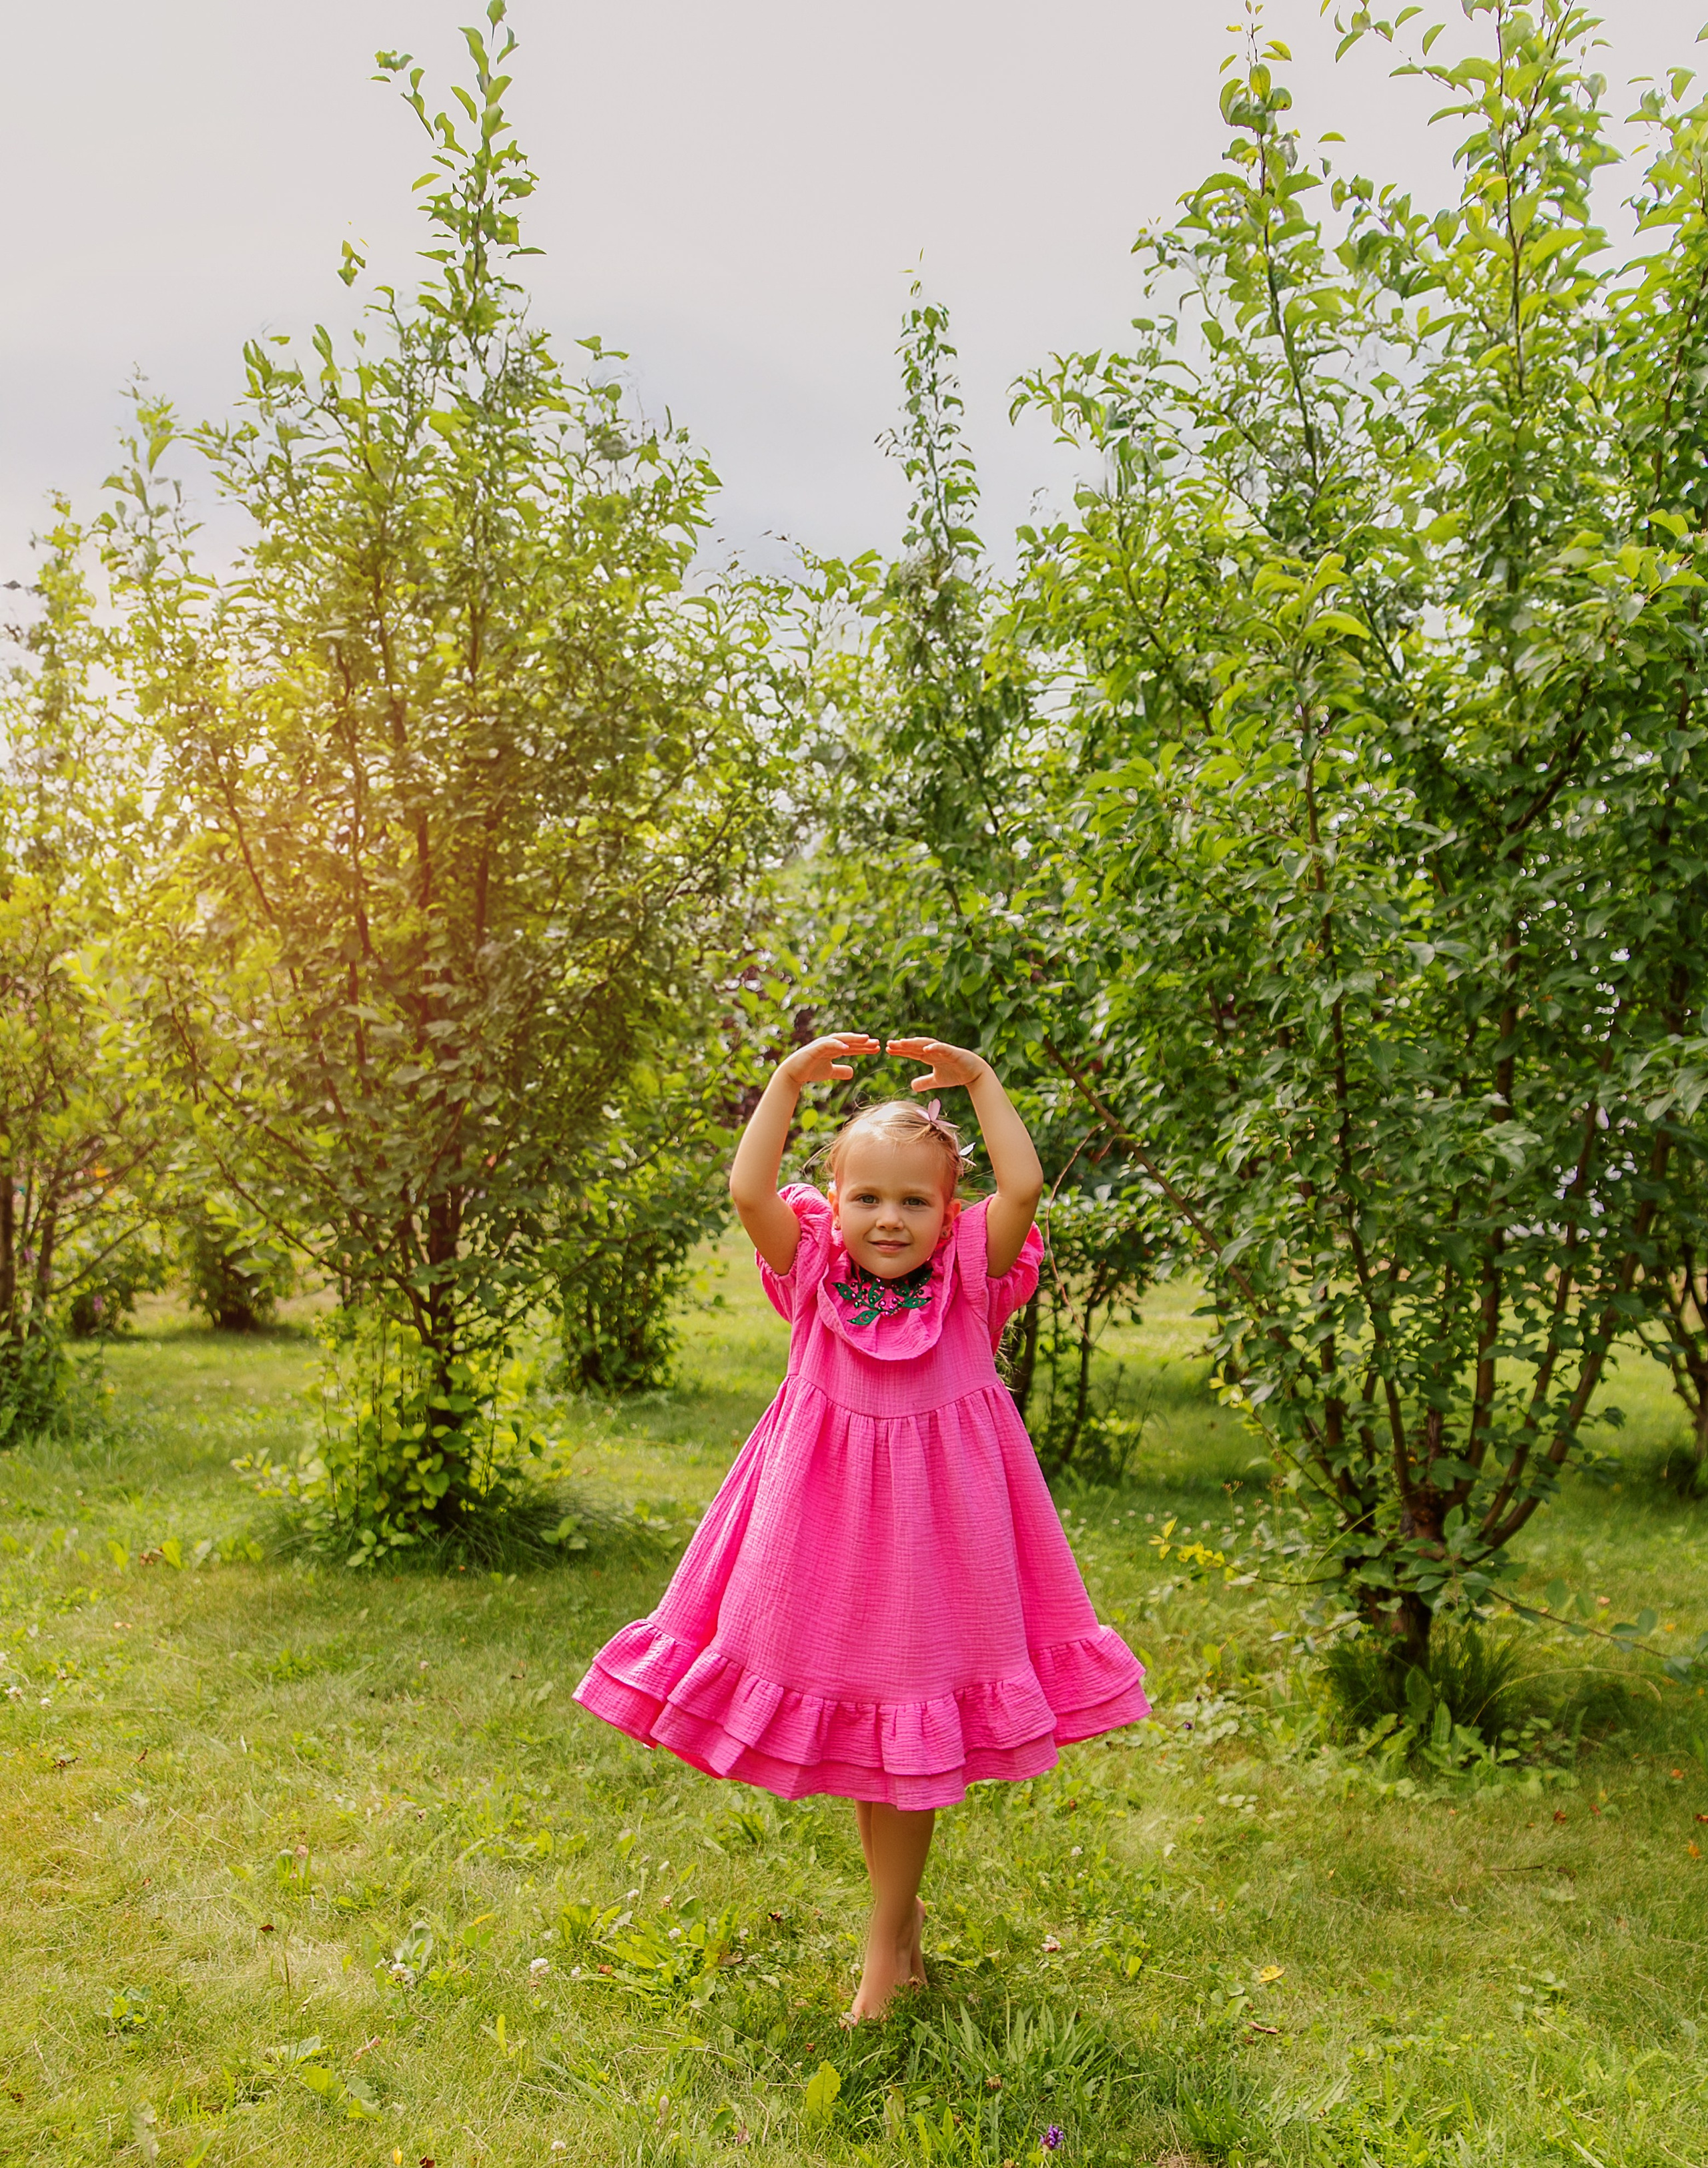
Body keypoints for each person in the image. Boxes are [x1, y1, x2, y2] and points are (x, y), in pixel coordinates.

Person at [573, 1033, 1150, 2021]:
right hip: (826, 1540)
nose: (891, 1218)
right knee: (877, 1738)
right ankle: (899, 1923)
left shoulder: (971, 1277)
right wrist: (787, 1083)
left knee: (911, 1732)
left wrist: (980, 1081)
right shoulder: (812, 1276)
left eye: (915, 1199)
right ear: (834, 1204)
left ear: (947, 1211)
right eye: (869, 1197)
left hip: (941, 1545)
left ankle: (885, 1947)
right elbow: (750, 1190)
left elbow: (1023, 1185)